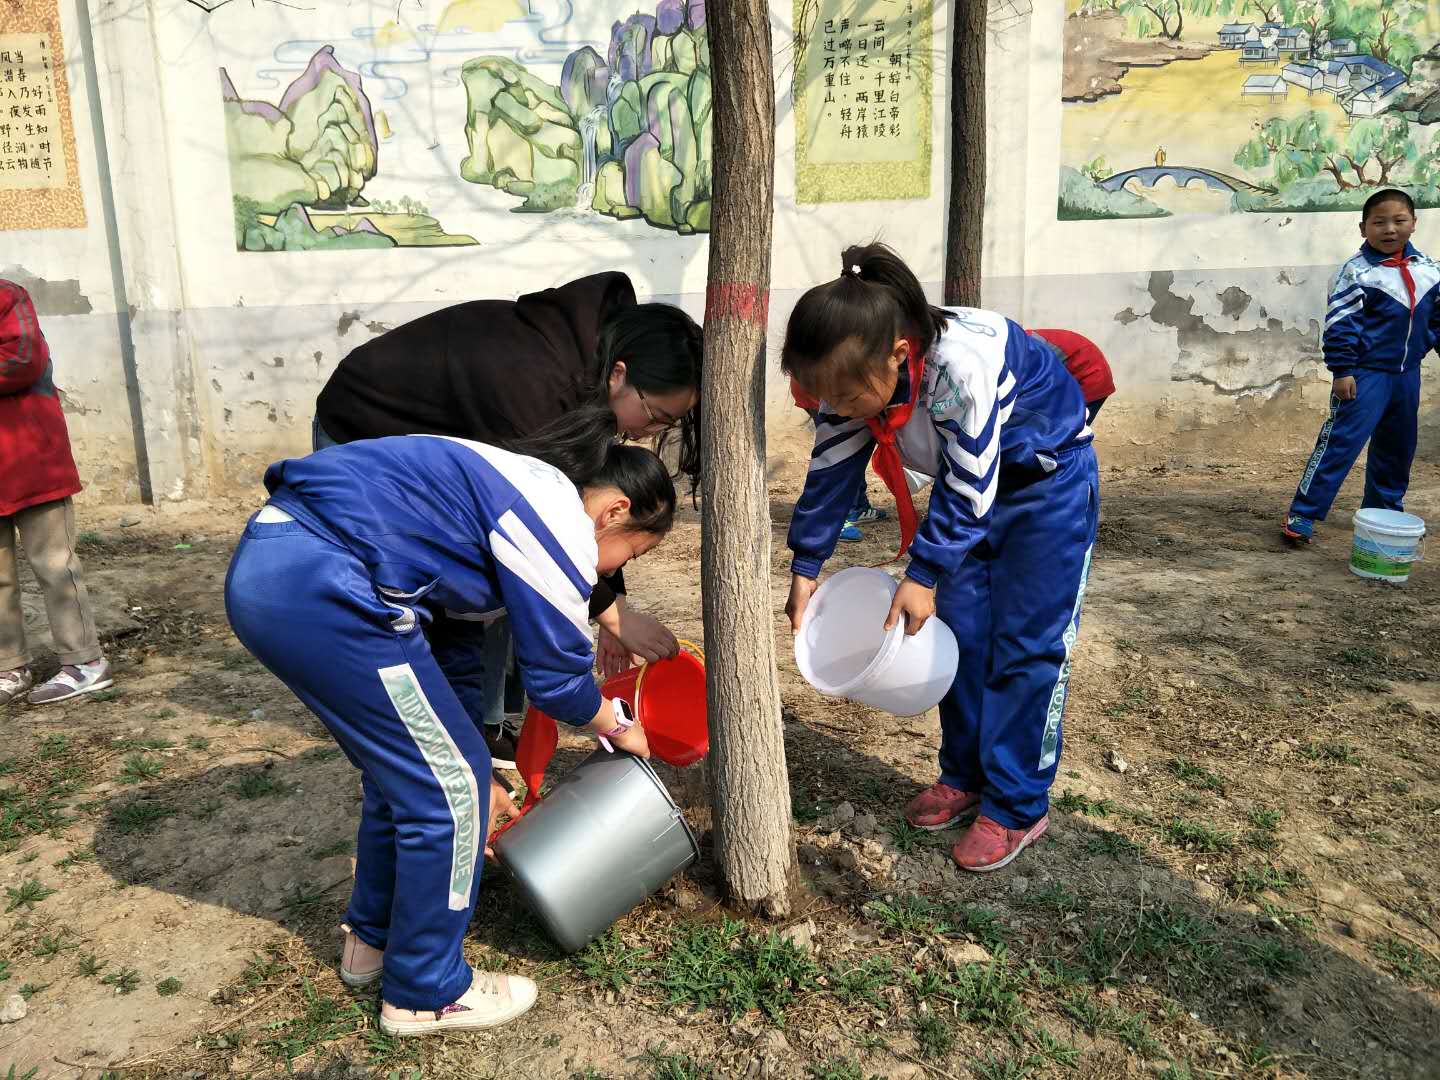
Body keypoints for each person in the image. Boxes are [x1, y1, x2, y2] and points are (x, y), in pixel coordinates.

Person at [224, 427, 667, 1037]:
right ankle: (427, 990)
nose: (615, 571)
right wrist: (621, 729)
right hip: (325, 582)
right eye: (633, 555)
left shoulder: (503, 497)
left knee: (411, 772)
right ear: (615, 511)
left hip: (279, 567)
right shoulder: (556, 521)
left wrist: (478, 763)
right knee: (449, 791)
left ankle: (372, 942)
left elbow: (451, 657)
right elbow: (559, 682)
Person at [783, 244, 1098, 873]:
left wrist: (923, 572)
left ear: (900, 355)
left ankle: (1016, 804)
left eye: (844, 397)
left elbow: (971, 481)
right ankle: (965, 776)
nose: (835, 408)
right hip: (969, 502)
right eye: (825, 398)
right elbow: (830, 470)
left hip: (1045, 491)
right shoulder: (855, 380)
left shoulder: (961, 364)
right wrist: (806, 565)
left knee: (1027, 648)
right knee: (965, 637)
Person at [313, 273, 701, 762]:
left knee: (482, 595)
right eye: (656, 416)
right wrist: (609, 618)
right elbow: (541, 532)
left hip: (446, 460)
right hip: (362, 436)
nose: (649, 435)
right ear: (619, 375)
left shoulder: (589, 373)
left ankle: (476, 729)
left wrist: (611, 601)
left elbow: (587, 504)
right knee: (427, 607)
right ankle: (434, 744)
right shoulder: (536, 385)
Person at [1284, 189, 1440, 545]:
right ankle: (1302, 513)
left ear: (1413, 224)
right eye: (1379, 222)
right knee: (1340, 443)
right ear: (1363, 228)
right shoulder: (1356, 272)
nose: (1389, 229)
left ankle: (1384, 510)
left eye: (1399, 221)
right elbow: (1341, 325)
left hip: (1406, 377)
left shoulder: (1430, 270)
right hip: (1364, 375)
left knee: (1397, 448)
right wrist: (1343, 370)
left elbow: (1438, 321)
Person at [0, 279, 112, 707]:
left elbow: (22, 359)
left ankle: (84, 662)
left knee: (55, 566)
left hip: (32, 459)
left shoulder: (8, 296)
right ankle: (9, 665)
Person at [788, 378, 888, 542]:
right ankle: (832, 519)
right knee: (837, 454)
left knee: (852, 448)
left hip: (826, 388)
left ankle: (856, 506)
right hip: (826, 391)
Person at [1028, 328, 1114, 425]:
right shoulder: (1023, 341)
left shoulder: (1030, 347)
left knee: (1069, 429)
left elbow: (1038, 387)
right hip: (1085, 369)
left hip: (1092, 377)